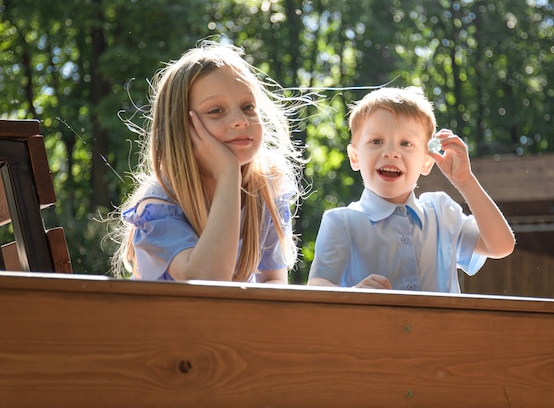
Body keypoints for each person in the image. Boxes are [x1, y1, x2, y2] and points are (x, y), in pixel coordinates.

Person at [110, 41, 305, 283]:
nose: (240, 121)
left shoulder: (264, 190)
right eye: (216, 111)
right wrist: (228, 175)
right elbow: (205, 283)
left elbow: (273, 282)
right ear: (180, 128)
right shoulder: (159, 207)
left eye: (248, 107)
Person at [308, 86, 515, 292]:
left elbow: (501, 246)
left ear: (427, 161)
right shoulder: (341, 222)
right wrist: (355, 295)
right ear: (355, 157)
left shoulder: (442, 214)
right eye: (376, 141)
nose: (391, 152)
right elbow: (317, 288)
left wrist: (465, 181)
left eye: (406, 143)